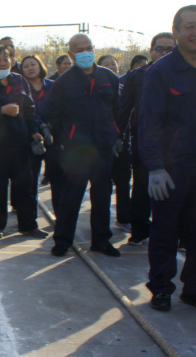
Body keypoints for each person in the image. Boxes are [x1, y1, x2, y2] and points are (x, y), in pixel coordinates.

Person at [138, 5, 196, 313]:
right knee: (165, 230)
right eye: (190, 26)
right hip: (172, 169)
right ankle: (162, 288)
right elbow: (149, 121)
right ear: (177, 31)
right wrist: (154, 167)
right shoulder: (161, 71)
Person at [48, 34, 123, 257]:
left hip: (103, 148)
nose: (85, 52)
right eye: (79, 50)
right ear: (71, 54)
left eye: (88, 47)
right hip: (76, 150)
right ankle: (62, 240)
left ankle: (101, 240)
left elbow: (117, 109)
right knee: (71, 197)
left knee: (102, 196)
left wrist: (113, 134)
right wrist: (67, 139)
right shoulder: (64, 82)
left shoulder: (109, 77)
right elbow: (55, 114)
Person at [0, 45, 48, 239]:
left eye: (6, 58)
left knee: (25, 186)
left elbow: (30, 109)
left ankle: (28, 225)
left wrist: (35, 133)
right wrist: (0, 111)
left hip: (20, 143)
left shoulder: (19, 80)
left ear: (12, 61)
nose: (3, 62)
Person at [117, 33, 176, 246]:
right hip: (145, 141)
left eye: (170, 49)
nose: (164, 53)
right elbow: (124, 109)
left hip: (177, 144)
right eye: (160, 49)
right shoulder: (138, 76)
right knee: (142, 187)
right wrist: (118, 136)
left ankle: (177, 234)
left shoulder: (183, 73)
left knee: (176, 191)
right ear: (151, 51)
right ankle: (139, 230)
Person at [97, 54, 131, 232]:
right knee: (103, 185)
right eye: (106, 64)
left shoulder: (125, 87)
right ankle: (102, 224)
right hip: (103, 143)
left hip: (122, 141)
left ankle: (124, 218)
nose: (111, 66)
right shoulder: (96, 88)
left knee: (123, 181)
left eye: (114, 64)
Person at [19, 54, 57, 216]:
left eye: (33, 64)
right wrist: (39, 127)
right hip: (31, 138)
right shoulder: (21, 89)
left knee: (57, 179)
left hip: (54, 137)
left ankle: (61, 217)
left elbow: (60, 107)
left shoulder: (53, 86)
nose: (30, 68)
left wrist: (51, 126)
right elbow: (27, 112)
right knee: (30, 181)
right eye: (26, 66)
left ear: (40, 66)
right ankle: (30, 220)